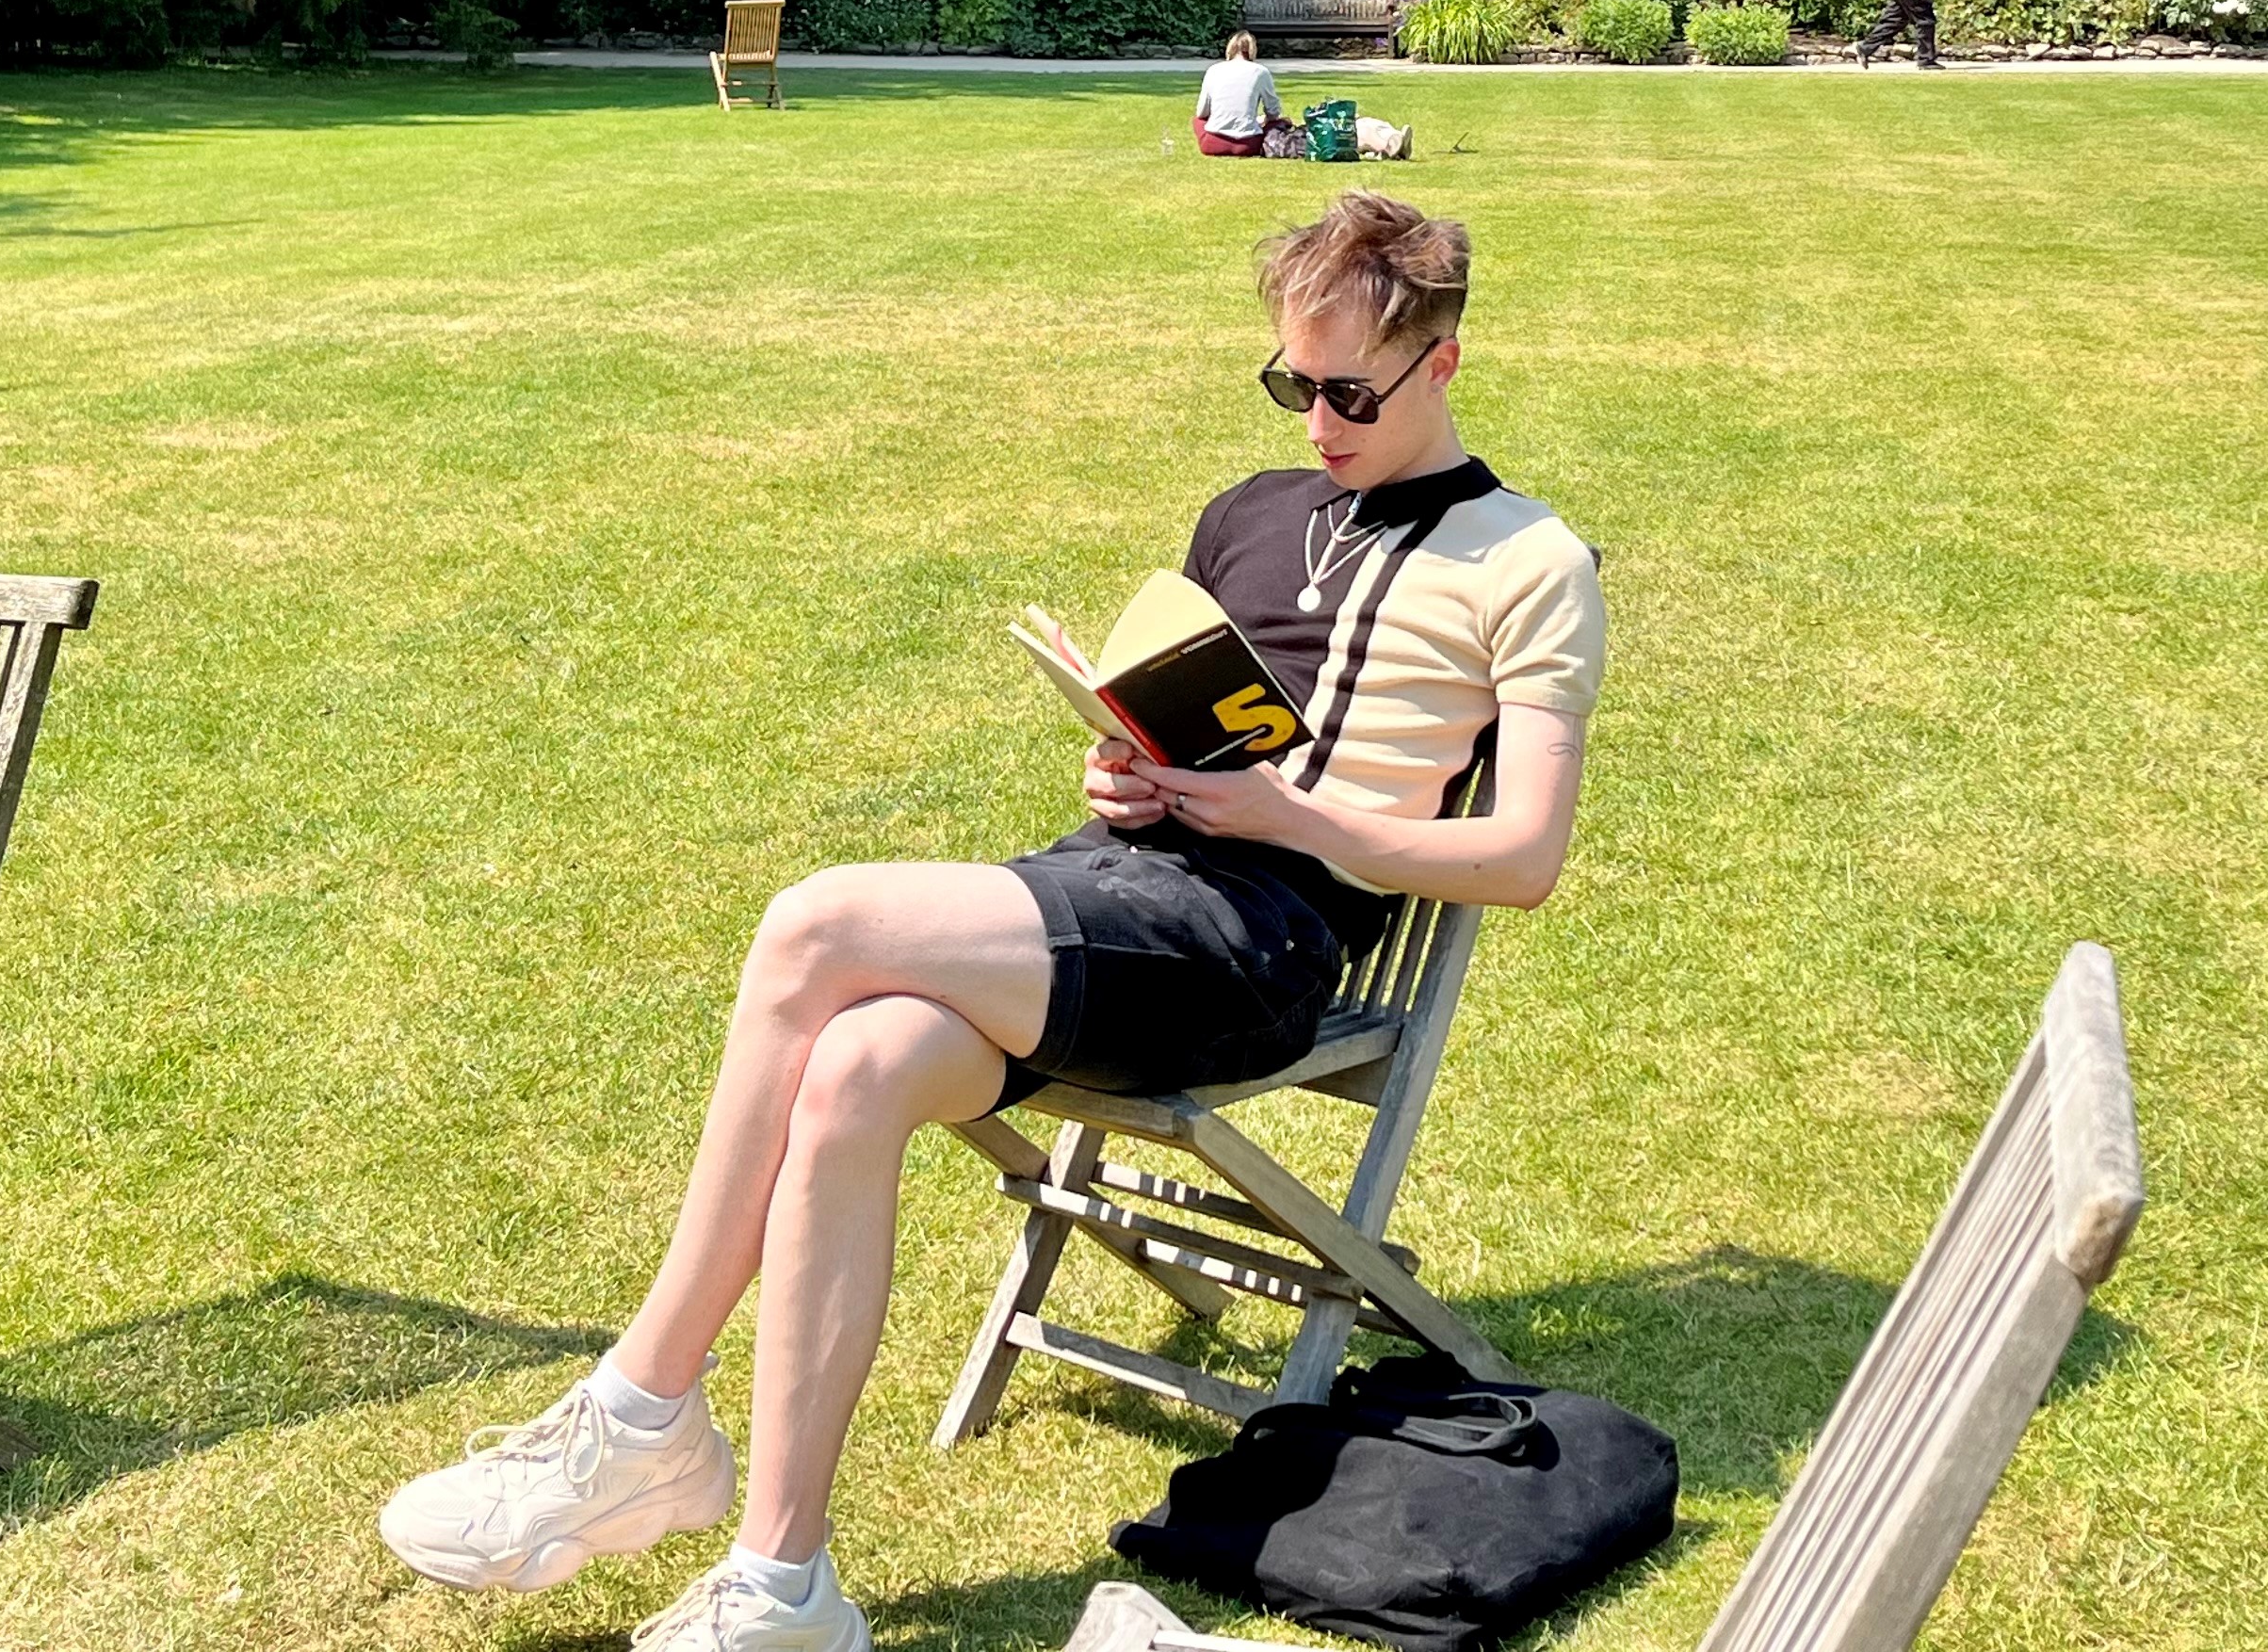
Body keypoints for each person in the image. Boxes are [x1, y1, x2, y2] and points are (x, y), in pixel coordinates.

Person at [375, 193, 1606, 1652]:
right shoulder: (1251, 513)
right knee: (862, 1063)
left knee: (816, 926)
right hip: (1118, 889)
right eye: (1293, 383)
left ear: (1444, 361)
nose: (1319, 421)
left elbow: (1522, 855)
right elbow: (1177, 711)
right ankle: (785, 1585)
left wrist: (1293, 817)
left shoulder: (1530, 562)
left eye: (1350, 392)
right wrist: (1129, 768)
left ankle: (642, 1408)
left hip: (1256, 951)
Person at [1194, 29, 1285, 158]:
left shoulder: (1213, 70)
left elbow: (1202, 113)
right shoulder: (1261, 72)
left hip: (1214, 143)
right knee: (1280, 123)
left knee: (1197, 121)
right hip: (1249, 144)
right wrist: (1261, 120)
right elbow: (1274, 113)